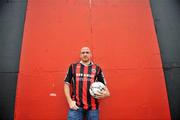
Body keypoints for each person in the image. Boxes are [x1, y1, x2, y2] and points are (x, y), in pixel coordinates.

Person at [64, 47, 110, 120]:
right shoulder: (73, 67)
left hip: (93, 107)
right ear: (80, 55)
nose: (85, 54)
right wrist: (70, 101)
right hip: (76, 106)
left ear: (91, 55)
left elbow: (106, 89)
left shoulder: (97, 68)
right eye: (83, 52)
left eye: (87, 52)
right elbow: (66, 84)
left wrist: (106, 94)